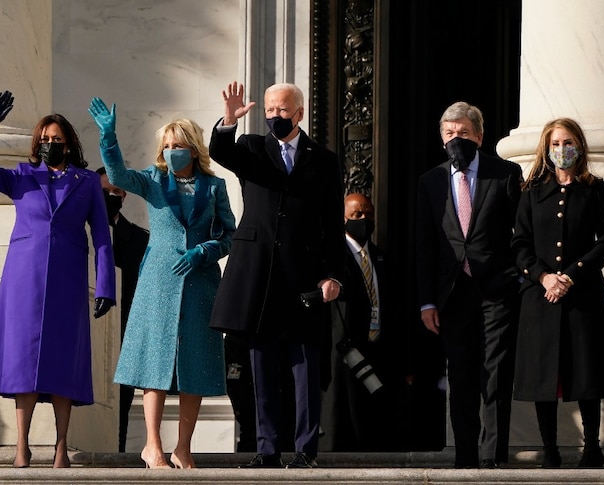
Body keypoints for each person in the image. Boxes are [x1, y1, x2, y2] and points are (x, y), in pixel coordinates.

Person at [0, 92, 116, 468]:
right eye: (44, 140)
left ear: (69, 142)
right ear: (37, 144)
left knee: (64, 362)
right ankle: (22, 447)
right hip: (24, 281)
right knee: (24, 362)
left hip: (67, 279)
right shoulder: (21, 175)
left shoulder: (85, 182)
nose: (50, 144)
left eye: (57, 139)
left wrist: (105, 287)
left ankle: (62, 447)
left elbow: (101, 235)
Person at [88, 97, 236, 469]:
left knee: (195, 364)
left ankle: (183, 447)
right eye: (166, 146)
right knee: (153, 361)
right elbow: (119, 175)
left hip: (199, 281)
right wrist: (108, 136)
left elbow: (231, 235)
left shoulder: (214, 187)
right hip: (158, 280)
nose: (171, 152)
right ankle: (152, 445)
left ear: (193, 148)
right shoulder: (154, 180)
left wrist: (205, 251)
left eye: (177, 146)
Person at [208, 81, 345, 469]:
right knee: (261, 366)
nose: (274, 117)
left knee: (305, 366)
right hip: (259, 276)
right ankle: (266, 448)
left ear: (299, 112)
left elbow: (333, 225)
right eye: (269, 110)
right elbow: (220, 152)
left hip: (304, 275)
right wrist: (228, 122)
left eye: (282, 111)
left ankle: (305, 450)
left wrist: (331, 274)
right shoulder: (252, 148)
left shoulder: (324, 159)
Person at [416, 101, 522, 469]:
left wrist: (519, 277)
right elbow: (425, 245)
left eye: (463, 133)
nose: (455, 139)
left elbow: (519, 234)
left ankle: (493, 455)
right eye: (449, 134)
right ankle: (465, 456)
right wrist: (426, 302)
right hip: (451, 293)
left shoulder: (505, 173)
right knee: (460, 375)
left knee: (496, 372)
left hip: (497, 290)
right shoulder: (430, 181)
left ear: (478, 135)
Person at [511, 118, 604, 468]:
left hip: (582, 295)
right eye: (555, 143)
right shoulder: (531, 192)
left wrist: (570, 277)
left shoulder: (596, 189)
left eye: (568, 142)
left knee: (586, 372)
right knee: (546, 374)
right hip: (541, 297)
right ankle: (550, 448)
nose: (562, 150)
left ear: (579, 146)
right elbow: (520, 244)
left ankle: (591, 447)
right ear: (546, 147)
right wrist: (543, 278)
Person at [320, 192, 397, 452]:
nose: (364, 219)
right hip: (342, 350)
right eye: (356, 215)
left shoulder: (380, 257)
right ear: (343, 218)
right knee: (341, 419)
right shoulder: (332, 256)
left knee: (371, 423)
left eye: (368, 214)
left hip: (375, 348)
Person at [95, 166, 150, 453]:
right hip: (87, 330)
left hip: (126, 332)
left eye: (117, 192)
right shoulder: (79, 233)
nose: (112, 197)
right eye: (105, 192)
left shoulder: (140, 240)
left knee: (121, 402)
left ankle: (115, 453)